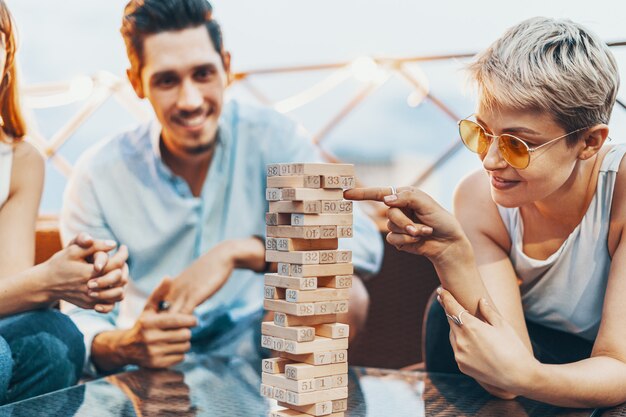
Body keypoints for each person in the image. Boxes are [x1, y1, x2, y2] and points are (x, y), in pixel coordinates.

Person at [60, 0, 383, 375]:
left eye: (202, 74)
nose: (191, 101)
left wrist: (238, 253)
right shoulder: (98, 174)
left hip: (262, 351)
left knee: (340, 294)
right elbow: (82, 318)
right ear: (136, 83)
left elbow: (360, 243)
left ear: (226, 67)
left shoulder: (274, 138)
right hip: (148, 368)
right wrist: (126, 344)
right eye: (167, 80)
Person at [346, 17, 626, 408]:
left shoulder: (620, 192)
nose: (490, 160)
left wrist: (529, 376)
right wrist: (452, 254)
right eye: (481, 132)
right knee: (442, 315)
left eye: (517, 144)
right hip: (539, 371)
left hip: (606, 383)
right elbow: (504, 379)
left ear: (590, 142)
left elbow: (618, 365)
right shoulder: (480, 197)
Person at [0, 0, 128, 405]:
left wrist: (73, 275)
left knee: (57, 341)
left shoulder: (21, 160)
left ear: (7, 55)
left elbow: (10, 293)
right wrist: (47, 282)